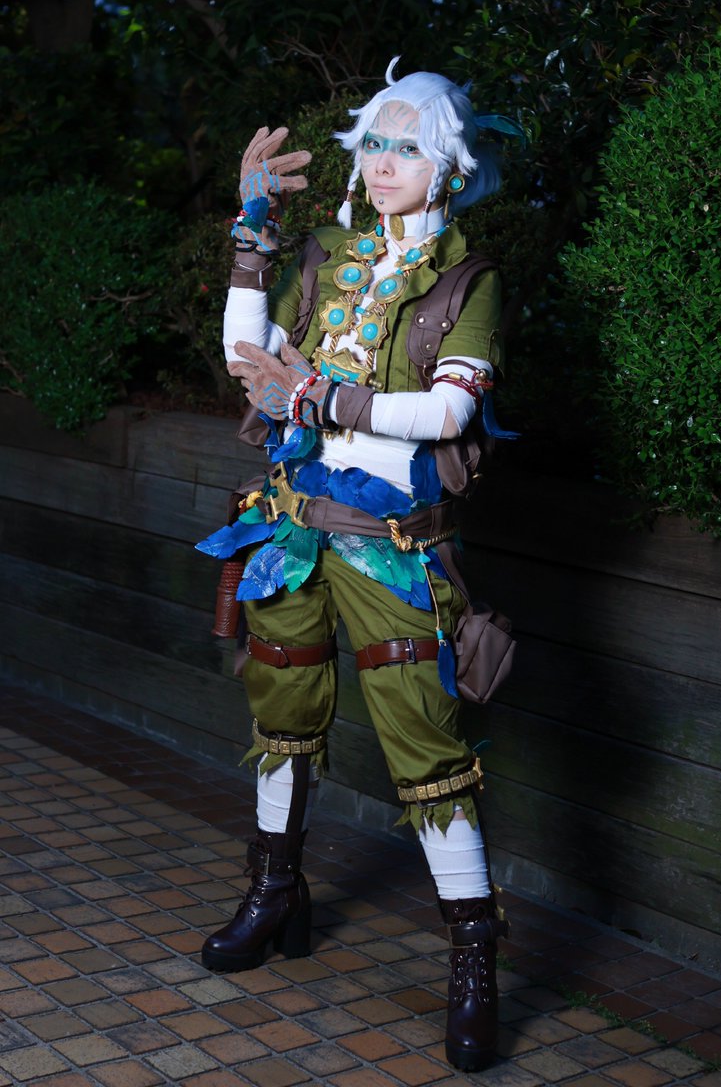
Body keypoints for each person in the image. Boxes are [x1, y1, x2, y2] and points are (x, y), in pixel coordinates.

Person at [197, 57, 513, 1073]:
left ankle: (474, 962)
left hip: (394, 552)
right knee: (281, 716)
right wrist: (251, 233)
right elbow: (246, 360)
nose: (383, 163)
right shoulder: (327, 253)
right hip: (291, 533)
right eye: (373, 142)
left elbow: (448, 412)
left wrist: (319, 400)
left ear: (448, 167)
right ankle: (272, 892)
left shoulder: (468, 280)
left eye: (406, 147)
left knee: (427, 748)